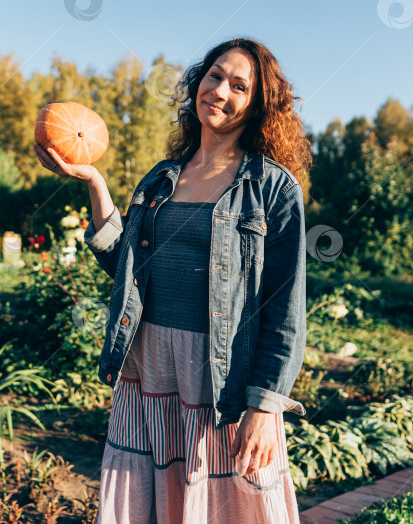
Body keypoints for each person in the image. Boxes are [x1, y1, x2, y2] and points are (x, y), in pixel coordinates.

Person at [33, 37, 313, 524]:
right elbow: (128, 267)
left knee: (227, 509)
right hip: (151, 369)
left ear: (258, 105)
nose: (220, 90)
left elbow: (285, 305)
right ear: (198, 82)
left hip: (221, 376)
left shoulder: (272, 187)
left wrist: (266, 407)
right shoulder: (161, 178)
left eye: (239, 85)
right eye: (214, 75)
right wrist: (95, 182)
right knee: (152, 506)